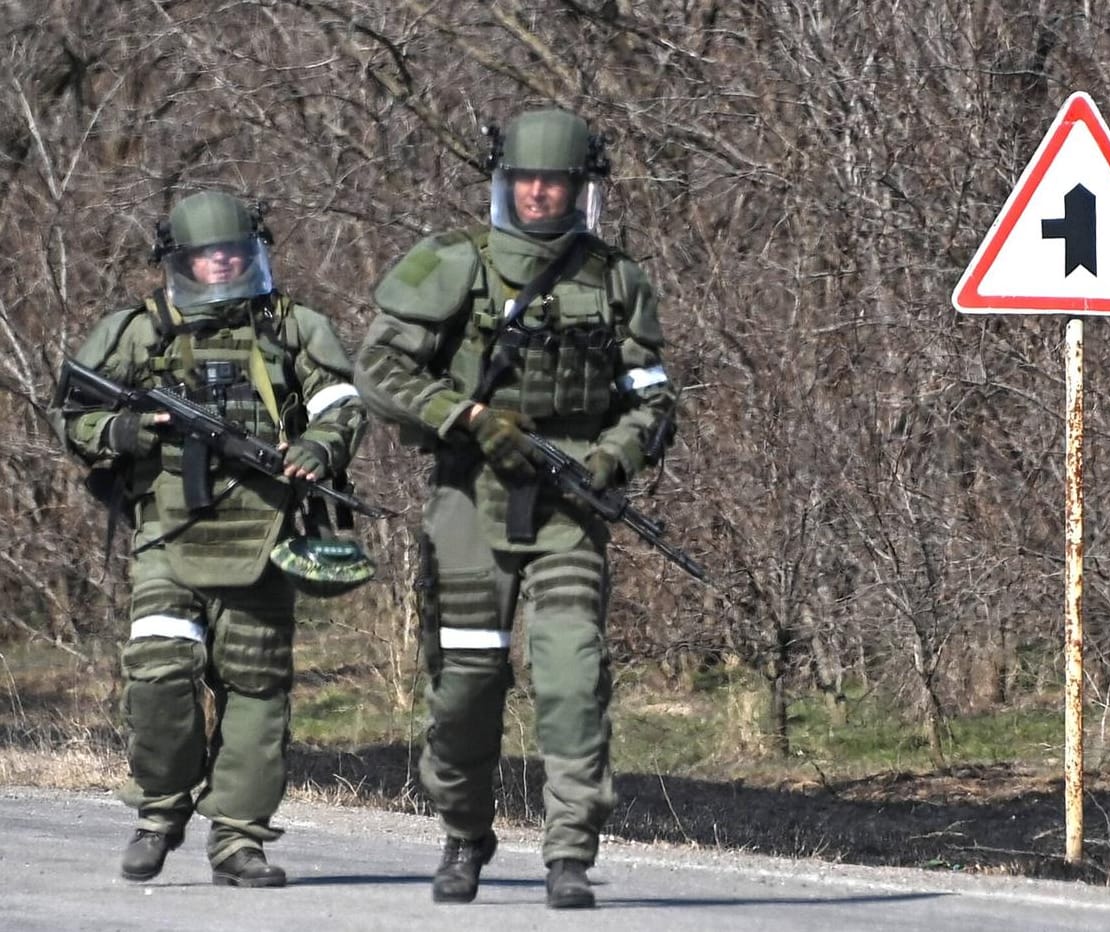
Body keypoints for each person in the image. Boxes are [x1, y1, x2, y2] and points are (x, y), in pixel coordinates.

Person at [354, 107, 676, 909]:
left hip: (568, 505)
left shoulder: (613, 278)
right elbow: (379, 370)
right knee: (465, 684)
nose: (539, 193)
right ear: (503, 182)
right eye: (526, 179)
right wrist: (464, 417)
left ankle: (569, 850)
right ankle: (464, 834)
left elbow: (653, 399)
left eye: (556, 180)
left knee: (571, 676)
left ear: (580, 187)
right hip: (471, 501)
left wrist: (610, 456)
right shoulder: (451, 262)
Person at [50, 191, 369, 887]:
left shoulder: (293, 327)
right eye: (207, 254)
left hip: (264, 529)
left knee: (256, 688)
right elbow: (73, 413)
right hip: (168, 529)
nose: (222, 263)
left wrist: (319, 448)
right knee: (159, 670)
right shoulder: (139, 332)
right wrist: (123, 432)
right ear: (181, 260)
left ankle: (238, 841)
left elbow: (340, 401)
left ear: (255, 253)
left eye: (235, 251)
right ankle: (161, 811)